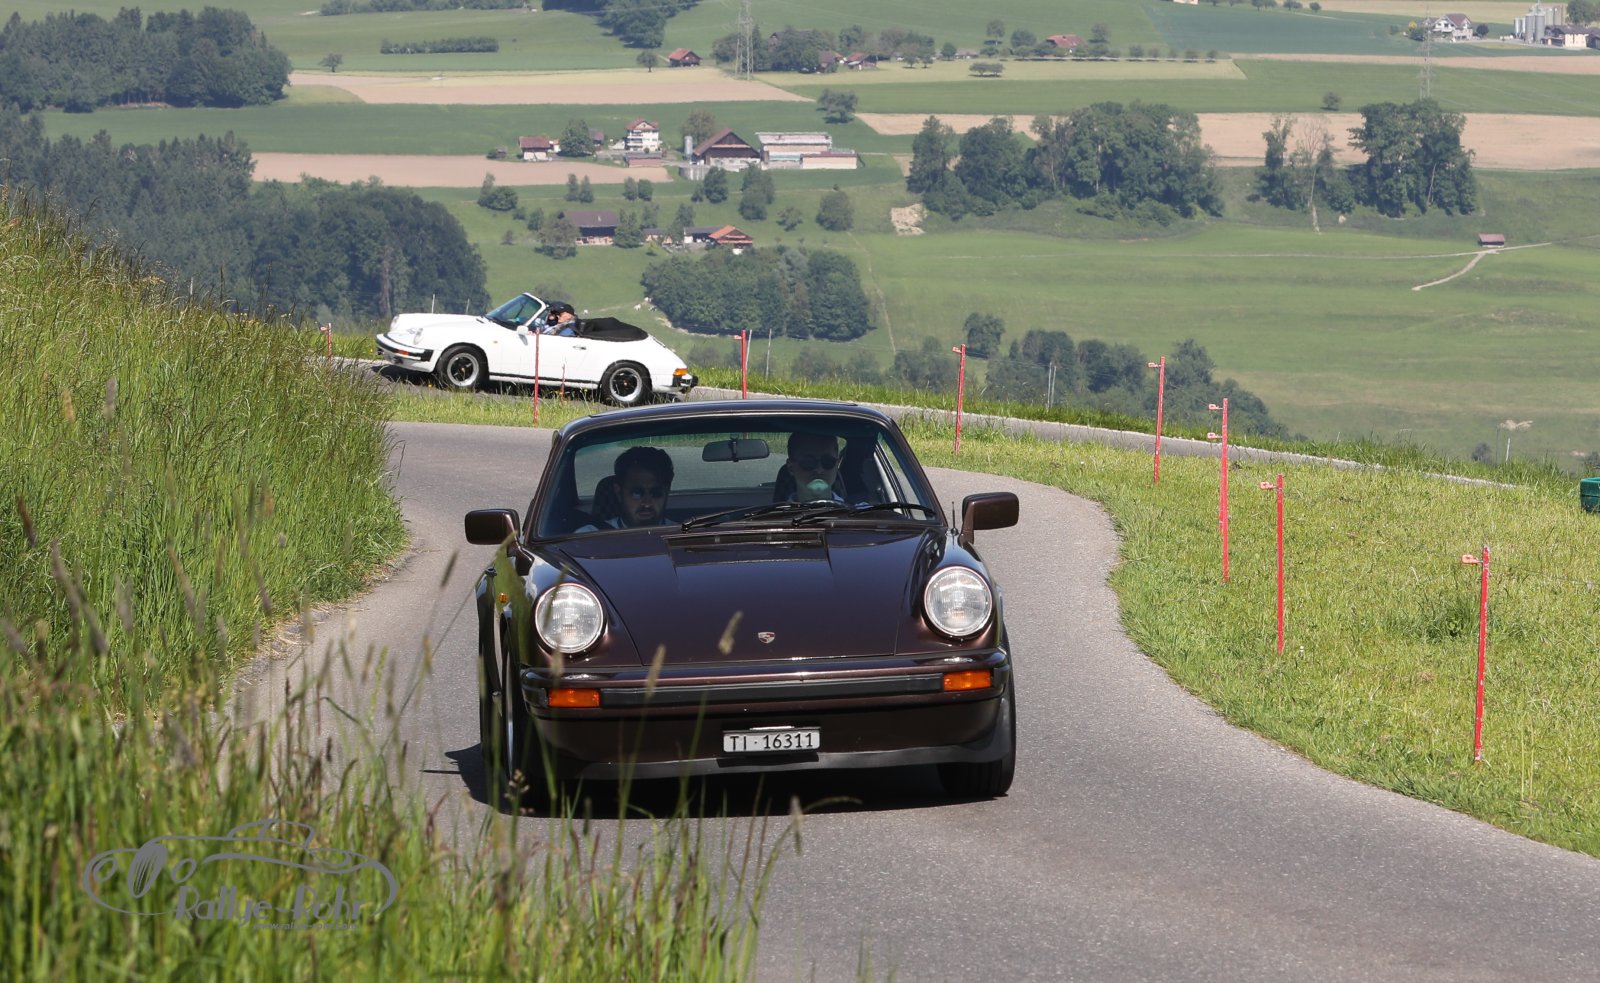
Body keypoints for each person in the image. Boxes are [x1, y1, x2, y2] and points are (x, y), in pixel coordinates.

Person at [577, 446, 674, 531]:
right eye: (637, 493)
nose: (647, 504)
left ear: (667, 491)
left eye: (656, 493)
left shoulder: (679, 534)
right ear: (618, 492)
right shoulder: (589, 537)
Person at [784, 432, 845, 503]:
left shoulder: (853, 509)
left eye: (828, 461)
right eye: (808, 462)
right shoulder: (777, 511)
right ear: (791, 467)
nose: (819, 470)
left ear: (837, 465)